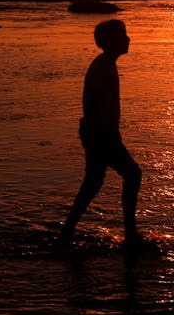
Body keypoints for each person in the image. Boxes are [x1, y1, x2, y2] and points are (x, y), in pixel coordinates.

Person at [58, 19, 143, 254]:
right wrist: (96, 134)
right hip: (101, 134)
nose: (128, 39)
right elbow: (90, 101)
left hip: (102, 133)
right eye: (123, 36)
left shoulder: (107, 64)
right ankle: (130, 235)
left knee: (92, 184)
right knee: (133, 174)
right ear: (111, 41)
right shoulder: (102, 66)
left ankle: (66, 234)